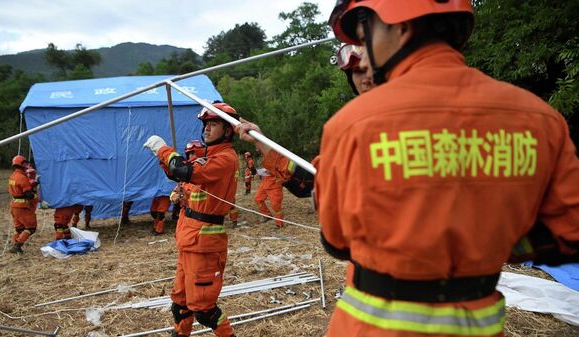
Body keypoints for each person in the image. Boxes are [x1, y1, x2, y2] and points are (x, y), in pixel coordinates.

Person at [237, 1, 579, 336]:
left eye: (362, 35)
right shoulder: (540, 121)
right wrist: (483, 239)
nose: (364, 58)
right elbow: (566, 235)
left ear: (399, 25)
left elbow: (337, 240)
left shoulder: (354, 126)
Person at [144, 101, 239, 337]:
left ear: (227, 130)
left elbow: (184, 170)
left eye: (213, 124)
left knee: (204, 310)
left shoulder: (225, 159)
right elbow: (183, 174)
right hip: (189, 240)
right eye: (205, 124)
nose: (207, 128)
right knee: (181, 304)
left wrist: (163, 150)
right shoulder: (208, 156)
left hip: (204, 245)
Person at [7, 155, 38, 254]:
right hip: (22, 207)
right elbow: (28, 194)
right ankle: (17, 246)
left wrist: (33, 185)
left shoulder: (13, 176)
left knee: (19, 228)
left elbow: (19, 189)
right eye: (26, 163)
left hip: (14, 205)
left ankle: (14, 247)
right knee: (31, 227)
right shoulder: (22, 177)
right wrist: (38, 198)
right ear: (23, 164)